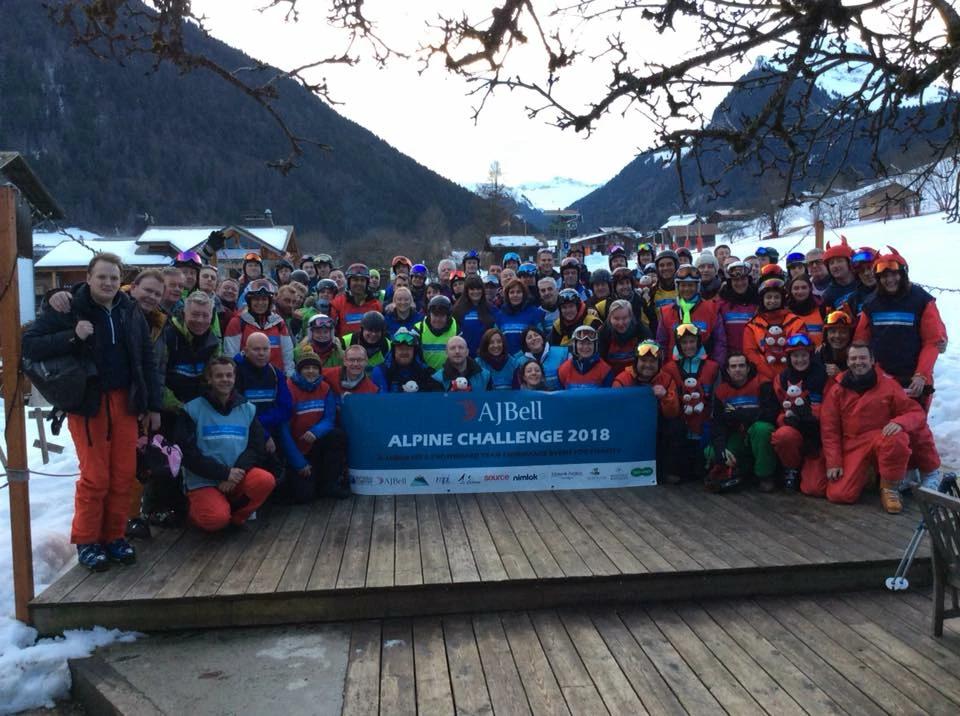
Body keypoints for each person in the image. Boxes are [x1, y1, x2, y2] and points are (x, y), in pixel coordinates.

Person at [23, 253, 162, 571]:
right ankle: (87, 540)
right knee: (95, 476)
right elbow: (31, 344)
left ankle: (114, 536)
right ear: (88, 278)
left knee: (123, 475)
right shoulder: (69, 306)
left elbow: (146, 358)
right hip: (89, 403)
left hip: (126, 402)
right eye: (102, 277)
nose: (109, 283)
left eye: (114, 277)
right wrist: (74, 336)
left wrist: (153, 404)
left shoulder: (129, 311)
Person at [820, 342, 941, 513]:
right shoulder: (837, 390)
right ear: (847, 362)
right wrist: (834, 462)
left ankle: (891, 487)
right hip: (853, 444)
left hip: (881, 437)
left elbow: (915, 412)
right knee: (839, 494)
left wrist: (900, 422)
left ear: (872, 361)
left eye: (863, 358)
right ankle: (872, 475)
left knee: (898, 438)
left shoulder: (888, 385)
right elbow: (829, 429)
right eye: (853, 358)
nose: (858, 362)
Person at [176, 356, 276, 532]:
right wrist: (223, 473)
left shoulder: (247, 408)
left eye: (229, 375)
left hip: (236, 475)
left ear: (235, 378)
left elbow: (256, 446)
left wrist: (235, 473)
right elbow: (189, 454)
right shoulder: (191, 410)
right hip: (204, 480)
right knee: (214, 520)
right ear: (209, 379)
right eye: (219, 376)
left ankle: (236, 516)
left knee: (264, 480)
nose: (225, 380)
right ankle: (199, 510)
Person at [855, 248, 946, 412]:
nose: (889, 280)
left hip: (913, 379)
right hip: (882, 379)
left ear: (903, 274)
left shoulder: (921, 300)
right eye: (884, 276)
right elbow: (861, 341)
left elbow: (932, 341)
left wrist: (921, 375)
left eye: (894, 274)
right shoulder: (871, 303)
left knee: (914, 428)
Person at [613, 340, 684, 484]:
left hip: (657, 425)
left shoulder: (666, 379)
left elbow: (673, 413)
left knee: (677, 426)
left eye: (653, 361)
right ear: (636, 361)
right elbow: (615, 411)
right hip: (630, 426)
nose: (648, 365)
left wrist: (665, 397)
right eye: (644, 360)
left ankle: (668, 470)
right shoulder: (622, 379)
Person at [706, 352, 778, 492]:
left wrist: (740, 414)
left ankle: (765, 476)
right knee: (710, 452)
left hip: (757, 433)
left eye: (741, 365)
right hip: (736, 435)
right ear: (727, 370)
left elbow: (771, 413)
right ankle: (739, 472)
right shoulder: (721, 391)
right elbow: (718, 424)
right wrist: (721, 449)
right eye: (733, 366)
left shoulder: (762, 383)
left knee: (762, 429)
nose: (737, 369)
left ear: (748, 368)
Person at [284, 349, 350, 501]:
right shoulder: (288, 388)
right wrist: (299, 463)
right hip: (296, 450)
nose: (311, 371)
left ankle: (329, 484)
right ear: (299, 370)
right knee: (304, 496)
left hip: (316, 442)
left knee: (337, 436)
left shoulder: (325, 388)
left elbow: (329, 418)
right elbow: (284, 431)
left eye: (315, 368)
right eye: (306, 368)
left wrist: (316, 431)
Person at [660, 324, 720, 483]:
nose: (688, 346)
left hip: (704, 426)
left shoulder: (713, 367)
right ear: (678, 345)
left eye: (692, 342)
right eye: (684, 343)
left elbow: (717, 399)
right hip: (682, 427)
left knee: (700, 472)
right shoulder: (669, 369)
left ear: (699, 343)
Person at [770, 334, 829, 494]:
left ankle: (813, 468)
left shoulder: (824, 377)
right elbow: (778, 409)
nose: (800, 360)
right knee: (783, 436)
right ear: (789, 358)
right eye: (795, 356)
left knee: (814, 489)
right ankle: (791, 469)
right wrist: (787, 419)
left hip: (818, 435)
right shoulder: (781, 379)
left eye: (804, 355)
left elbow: (832, 408)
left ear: (810, 356)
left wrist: (811, 416)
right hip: (794, 428)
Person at [223, 278, 296, 377]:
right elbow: (230, 355)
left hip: (275, 379)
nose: (260, 303)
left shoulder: (279, 323)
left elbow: (288, 355)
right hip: (247, 379)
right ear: (249, 301)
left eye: (264, 299)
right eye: (256, 299)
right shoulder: (237, 322)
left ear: (269, 301)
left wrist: (289, 377)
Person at [657, 264, 725, 364]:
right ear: (677, 287)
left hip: (704, 369)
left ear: (697, 287)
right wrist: (665, 370)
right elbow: (661, 344)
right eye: (683, 285)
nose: (687, 289)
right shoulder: (667, 312)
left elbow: (720, 342)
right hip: (674, 371)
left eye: (691, 285)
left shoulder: (711, 309)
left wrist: (716, 367)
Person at [743, 276, 805, 384]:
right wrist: (770, 374)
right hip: (763, 378)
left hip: (792, 377)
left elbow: (800, 349)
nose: (772, 301)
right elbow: (750, 353)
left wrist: (785, 374)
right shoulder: (752, 325)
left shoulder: (795, 322)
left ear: (782, 300)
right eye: (769, 297)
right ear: (762, 299)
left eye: (777, 297)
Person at [371, 327, 442, 393]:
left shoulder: (427, 373)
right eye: (400, 349)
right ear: (393, 351)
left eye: (408, 349)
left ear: (414, 352)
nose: (404, 352)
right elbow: (382, 402)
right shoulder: (381, 371)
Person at [715, 261, 757, 356]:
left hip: (753, 356)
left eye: (743, 279)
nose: (740, 283)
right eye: (735, 280)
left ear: (749, 280)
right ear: (730, 282)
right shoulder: (721, 304)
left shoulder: (757, 303)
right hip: (730, 359)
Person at [598, 299, 651, 374]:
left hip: (637, 375)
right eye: (616, 318)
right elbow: (600, 362)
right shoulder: (603, 333)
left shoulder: (642, 331)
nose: (621, 323)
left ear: (631, 317)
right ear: (610, 318)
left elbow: (647, 361)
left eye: (625, 318)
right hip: (610, 376)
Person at [330, 263, 383, 336]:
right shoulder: (337, 303)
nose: (359, 283)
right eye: (355, 280)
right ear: (349, 282)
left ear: (367, 283)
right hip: (345, 346)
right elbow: (331, 331)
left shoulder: (376, 305)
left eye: (362, 280)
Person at [452, 275, 498, 356]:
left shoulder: (492, 309)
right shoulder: (457, 310)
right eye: (472, 289)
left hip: (485, 356)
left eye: (478, 289)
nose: (476, 292)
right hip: (464, 356)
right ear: (467, 291)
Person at [496, 277, 544, 354]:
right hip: (507, 361)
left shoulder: (535, 313)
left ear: (524, 294)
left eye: (519, 292)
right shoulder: (500, 316)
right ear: (507, 295)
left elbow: (541, 340)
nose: (515, 295)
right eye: (512, 292)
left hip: (529, 360)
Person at [415, 295, 459, 371]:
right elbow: (414, 356)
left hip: (448, 374)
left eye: (442, 316)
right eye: (435, 315)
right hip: (424, 374)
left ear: (448, 317)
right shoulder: (419, 329)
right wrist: (424, 368)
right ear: (429, 315)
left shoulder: (456, 329)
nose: (438, 319)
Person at [517, 326, 566, 390]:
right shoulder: (520, 362)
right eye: (529, 338)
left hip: (558, 397)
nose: (534, 338)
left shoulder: (562, 353)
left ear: (542, 338)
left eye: (536, 335)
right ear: (526, 344)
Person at [821, 239, 860, 311]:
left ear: (849, 263)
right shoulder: (828, 295)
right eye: (831, 263)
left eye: (839, 261)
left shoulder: (863, 282)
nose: (835, 266)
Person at [785, 275, 824, 347]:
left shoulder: (821, 309)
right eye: (796, 288)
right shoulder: (785, 312)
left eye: (804, 287)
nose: (800, 291)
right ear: (790, 291)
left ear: (810, 289)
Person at [816, 310, 854, 379]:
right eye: (833, 331)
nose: (837, 336)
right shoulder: (819, 354)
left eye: (843, 332)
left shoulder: (856, 357)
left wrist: (841, 375)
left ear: (850, 335)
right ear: (826, 335)